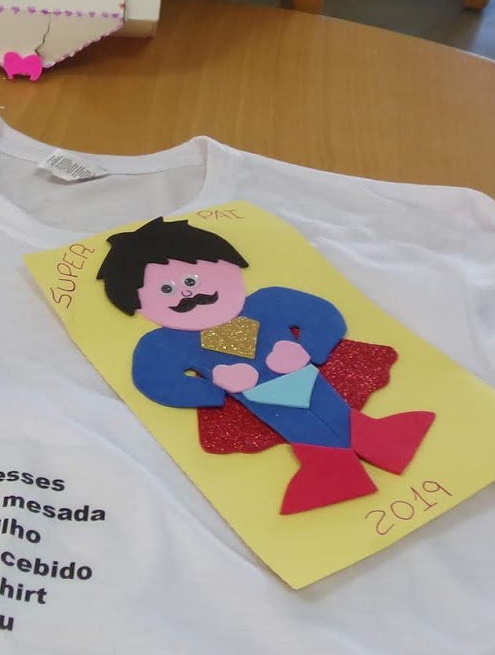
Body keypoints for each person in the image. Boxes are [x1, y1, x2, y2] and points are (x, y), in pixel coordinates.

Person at [98, 217, 435, 514]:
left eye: (190, 280)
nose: (187, 294)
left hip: (302, 373)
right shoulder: (164, 342)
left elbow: (322, 316)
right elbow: (156, 380)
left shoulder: (270, 301)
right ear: (138, 304)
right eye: (166, 289)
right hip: (256, 396)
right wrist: (215, 387)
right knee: (297, 428)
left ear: (227, 265)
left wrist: (307, 350)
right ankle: (334, 470)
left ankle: (378, 444)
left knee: (331, 408)